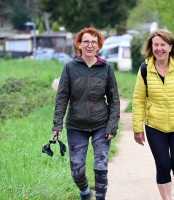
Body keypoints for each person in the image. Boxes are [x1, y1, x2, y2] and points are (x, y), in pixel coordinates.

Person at [51, 27, 120, 200]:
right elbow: (62, 97)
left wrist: (112, 125)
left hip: (101, 124)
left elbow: (114, 99)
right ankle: (85, 193)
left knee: (101, 166)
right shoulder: (70, 68)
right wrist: (58, 124)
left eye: (93, 42)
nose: (90, 45)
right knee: (77, 170)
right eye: (86, 41)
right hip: (76, 125)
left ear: (98, 47)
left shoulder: (106, 68)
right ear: (79, 45)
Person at [132, 29, 174, 200]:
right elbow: (138, 100)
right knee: (162, 165)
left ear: (170, 47)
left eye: (162, 45)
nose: (159, 48)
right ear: (151, 47)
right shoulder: (145, 69)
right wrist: (137, 128)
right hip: (155, 126)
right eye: (155, 45)